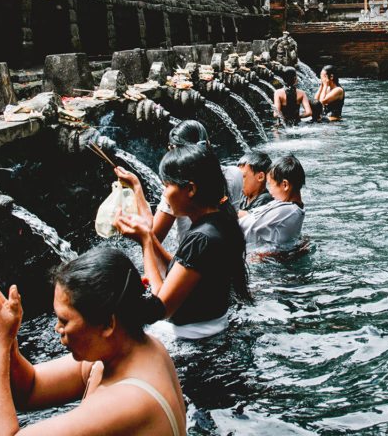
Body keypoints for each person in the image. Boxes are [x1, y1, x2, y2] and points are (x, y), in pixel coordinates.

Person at [0, 248, 186, 435]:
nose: (57, 328)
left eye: (64, 320)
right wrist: (7, 340)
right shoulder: (122, 351)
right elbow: (30, 389)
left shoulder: (129, 400)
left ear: (107, 325)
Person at [114, 144, 253, 340]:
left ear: (190, 189)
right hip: (213, 328)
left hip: (194, 340)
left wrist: (146, 242)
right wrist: (137, 188)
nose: (164, 194)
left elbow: (159, 309)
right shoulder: (220, 220)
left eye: (167, 186)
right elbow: (180, 268)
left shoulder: (201, 239)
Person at [120, 120, 243, 245]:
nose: (166, 191)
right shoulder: (235, 174)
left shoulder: (179, 191)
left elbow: (153, 238)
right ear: (208, 144)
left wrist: (136, 187)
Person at [239, 154, 306, 257]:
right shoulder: (288, 207)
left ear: (285, 185)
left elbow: (245, 224)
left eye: (271, 185)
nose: (270, 191)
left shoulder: (287, 210)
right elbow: (249, 215)